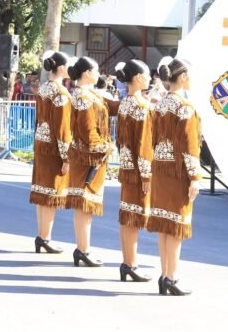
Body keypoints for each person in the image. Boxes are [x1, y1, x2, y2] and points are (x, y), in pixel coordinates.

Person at [147, 57, 201, 296]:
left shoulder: (159, 104)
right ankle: (172, 276)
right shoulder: (185, 107)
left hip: (160, 168)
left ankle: (165, 274)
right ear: (183, 77)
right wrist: (195, 176)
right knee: (176, 226)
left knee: (164, 226)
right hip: (177, 171)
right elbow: (190, 146)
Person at [66, 56, 119, 267]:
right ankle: (82, 249)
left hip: (88, 155)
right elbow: (88, 131)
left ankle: (83, 248)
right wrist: (106, 147)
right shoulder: (83, 96)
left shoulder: (90, 94)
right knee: (84, 205)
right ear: (87, 73)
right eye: (96, 70)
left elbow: (111, 107)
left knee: (86, 207)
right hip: (87, 157)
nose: (99, 74)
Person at [114, 60, 154, 282]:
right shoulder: (141, 106)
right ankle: (131, 264)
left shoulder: (125, 103)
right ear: (138, 77)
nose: (150, 78)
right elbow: (145, 144)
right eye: (147, 74)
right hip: (139, 168)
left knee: (127, 215)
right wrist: (147, 174)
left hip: (127, 164)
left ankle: (128, 262)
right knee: (134, 216)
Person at [30, 51, 72, 254]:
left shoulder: (44, 88)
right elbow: (63, 128)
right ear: (62, 68)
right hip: (54, 146)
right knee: (50, 194)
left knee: (42, 192)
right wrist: (67, 156)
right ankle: (45, 237)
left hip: (41, 141)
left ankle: (42, 235)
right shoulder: (61, 93)